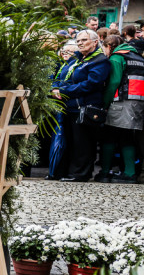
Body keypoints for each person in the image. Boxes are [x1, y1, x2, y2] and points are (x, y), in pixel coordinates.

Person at [52, 30, 110, 182]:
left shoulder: (99, 60)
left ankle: (80, 174)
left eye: (84, 40)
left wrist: (64, 90)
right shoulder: (77, 58)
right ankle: (67, 171)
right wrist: (55, 88)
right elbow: (62, 74)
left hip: (85, 107)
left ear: (95, 41)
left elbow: (91, 84)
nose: (80, 43)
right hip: (69, 106)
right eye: (78, 41)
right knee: (71, 141)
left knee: (83, 143)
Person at [99, 34, 144, 183]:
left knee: (110, 136)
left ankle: (106, 172)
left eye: (104, 48)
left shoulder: (117, 58)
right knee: (128, 136)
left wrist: (104, 104)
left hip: (120, 102)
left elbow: (114, 82)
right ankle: (130, 173)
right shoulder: (138, 57)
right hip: (138, 103)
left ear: (109, 46)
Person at [47, 41, 79, 180]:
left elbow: (69, 83)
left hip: (69, 104)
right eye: (63, 51)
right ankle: (55, 171)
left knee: (65, 140)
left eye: (69, 52)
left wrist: (61, 90)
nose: (65, 54)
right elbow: (56, 80)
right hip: (59, 104)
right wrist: (54, 88)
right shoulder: (63, 65)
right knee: (58, 138)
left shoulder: (75, 65)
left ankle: (60, 171)